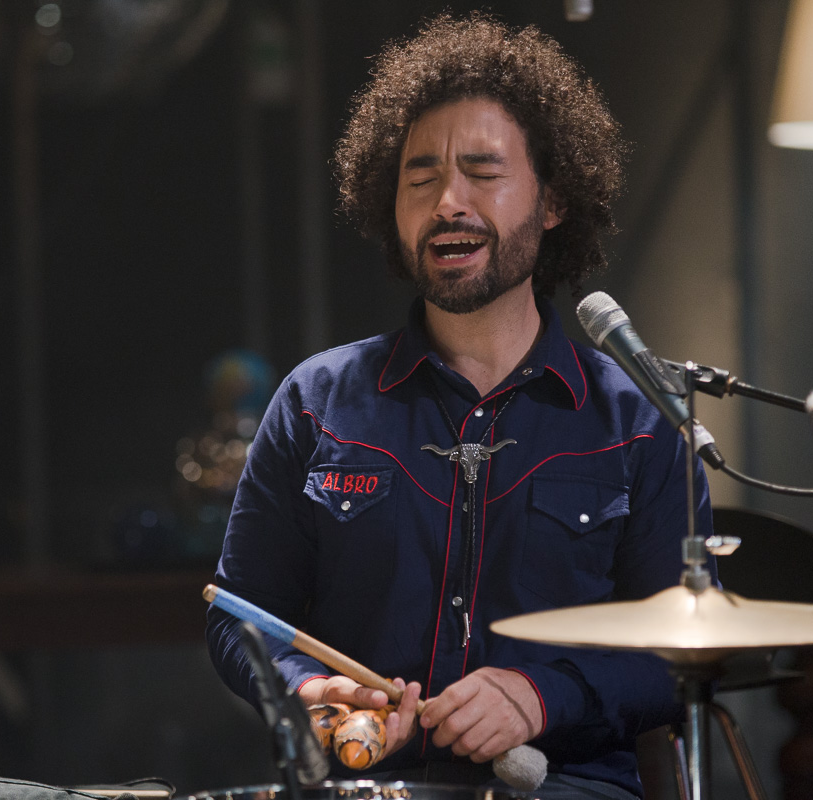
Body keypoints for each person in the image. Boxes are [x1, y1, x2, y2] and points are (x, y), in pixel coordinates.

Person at [206, 13, 712, 800]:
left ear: (552, 200)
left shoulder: (641, 424)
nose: (448, 201)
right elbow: (240, 615)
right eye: (420, 179)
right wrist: (308, 690)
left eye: (483, 172)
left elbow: (681, 654)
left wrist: (542, 695)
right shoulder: (315, 402)